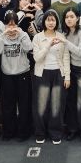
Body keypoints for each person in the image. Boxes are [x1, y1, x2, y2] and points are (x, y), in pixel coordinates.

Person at [0, 12, 34, 141]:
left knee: (24, 105)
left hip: (23, 74)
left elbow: (29, 48)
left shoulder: (23, 34)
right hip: (7, 75)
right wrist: (3, 35)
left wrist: (21, 34)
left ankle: (23, 133)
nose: (11, 28)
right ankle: (9, 132)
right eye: (9, 25)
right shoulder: (1, 36)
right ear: (5, 25)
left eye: (14, 25)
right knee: (8, 105)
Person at [32, 10, 71, 144]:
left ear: (56, 22)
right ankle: (40, 133)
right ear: (44, 22)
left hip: (58, 73)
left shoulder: (61, 36)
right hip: (42, 73)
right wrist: (48, 45)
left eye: (53, 20)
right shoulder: (37, 37)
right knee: (41, 105)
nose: (50, 22)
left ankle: (55, 133)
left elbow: (66, 57)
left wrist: (67, 77)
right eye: (48, 20)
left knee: (56, 105)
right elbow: (37, 58)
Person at [62, 8, 81, 141]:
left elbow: (80, 52)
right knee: (71, 101)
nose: (69, 19)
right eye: (66, 17)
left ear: (77, 18)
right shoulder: (65, 32)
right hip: (71, 68)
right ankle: (72, 129)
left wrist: (65, 42)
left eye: (72, 16)